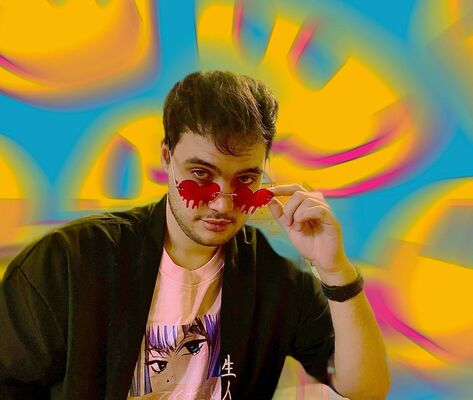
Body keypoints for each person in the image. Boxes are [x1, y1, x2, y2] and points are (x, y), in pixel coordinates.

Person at [0, 70, 390, 399]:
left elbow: (365, 389)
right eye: (201, 174)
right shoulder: (70, 263)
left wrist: (335, 269)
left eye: (245, 179)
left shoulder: (275, 280)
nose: (222, 203)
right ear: (166, 157)